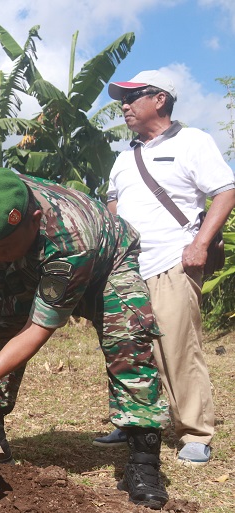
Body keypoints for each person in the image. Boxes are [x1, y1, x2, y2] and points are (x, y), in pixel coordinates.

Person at [0, 168, 170, 509]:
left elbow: (37, 329)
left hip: (106, 263)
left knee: (127, 337)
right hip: (23, 272)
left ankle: (144, 460)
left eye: (3, 246)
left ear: (34, 220)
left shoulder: (71, 237)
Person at [103, 70, 235, 464]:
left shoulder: (193, 141)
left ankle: (195, 431)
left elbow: (226, 191)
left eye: (132, 97)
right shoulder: (124, 157)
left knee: (177, 348)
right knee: (128, 351)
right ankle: (134, 421)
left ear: (159, 99)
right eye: (121, 100)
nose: (124, 106)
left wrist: (200, 243)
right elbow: (113, 204)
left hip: (171, 261)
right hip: (126, 268)